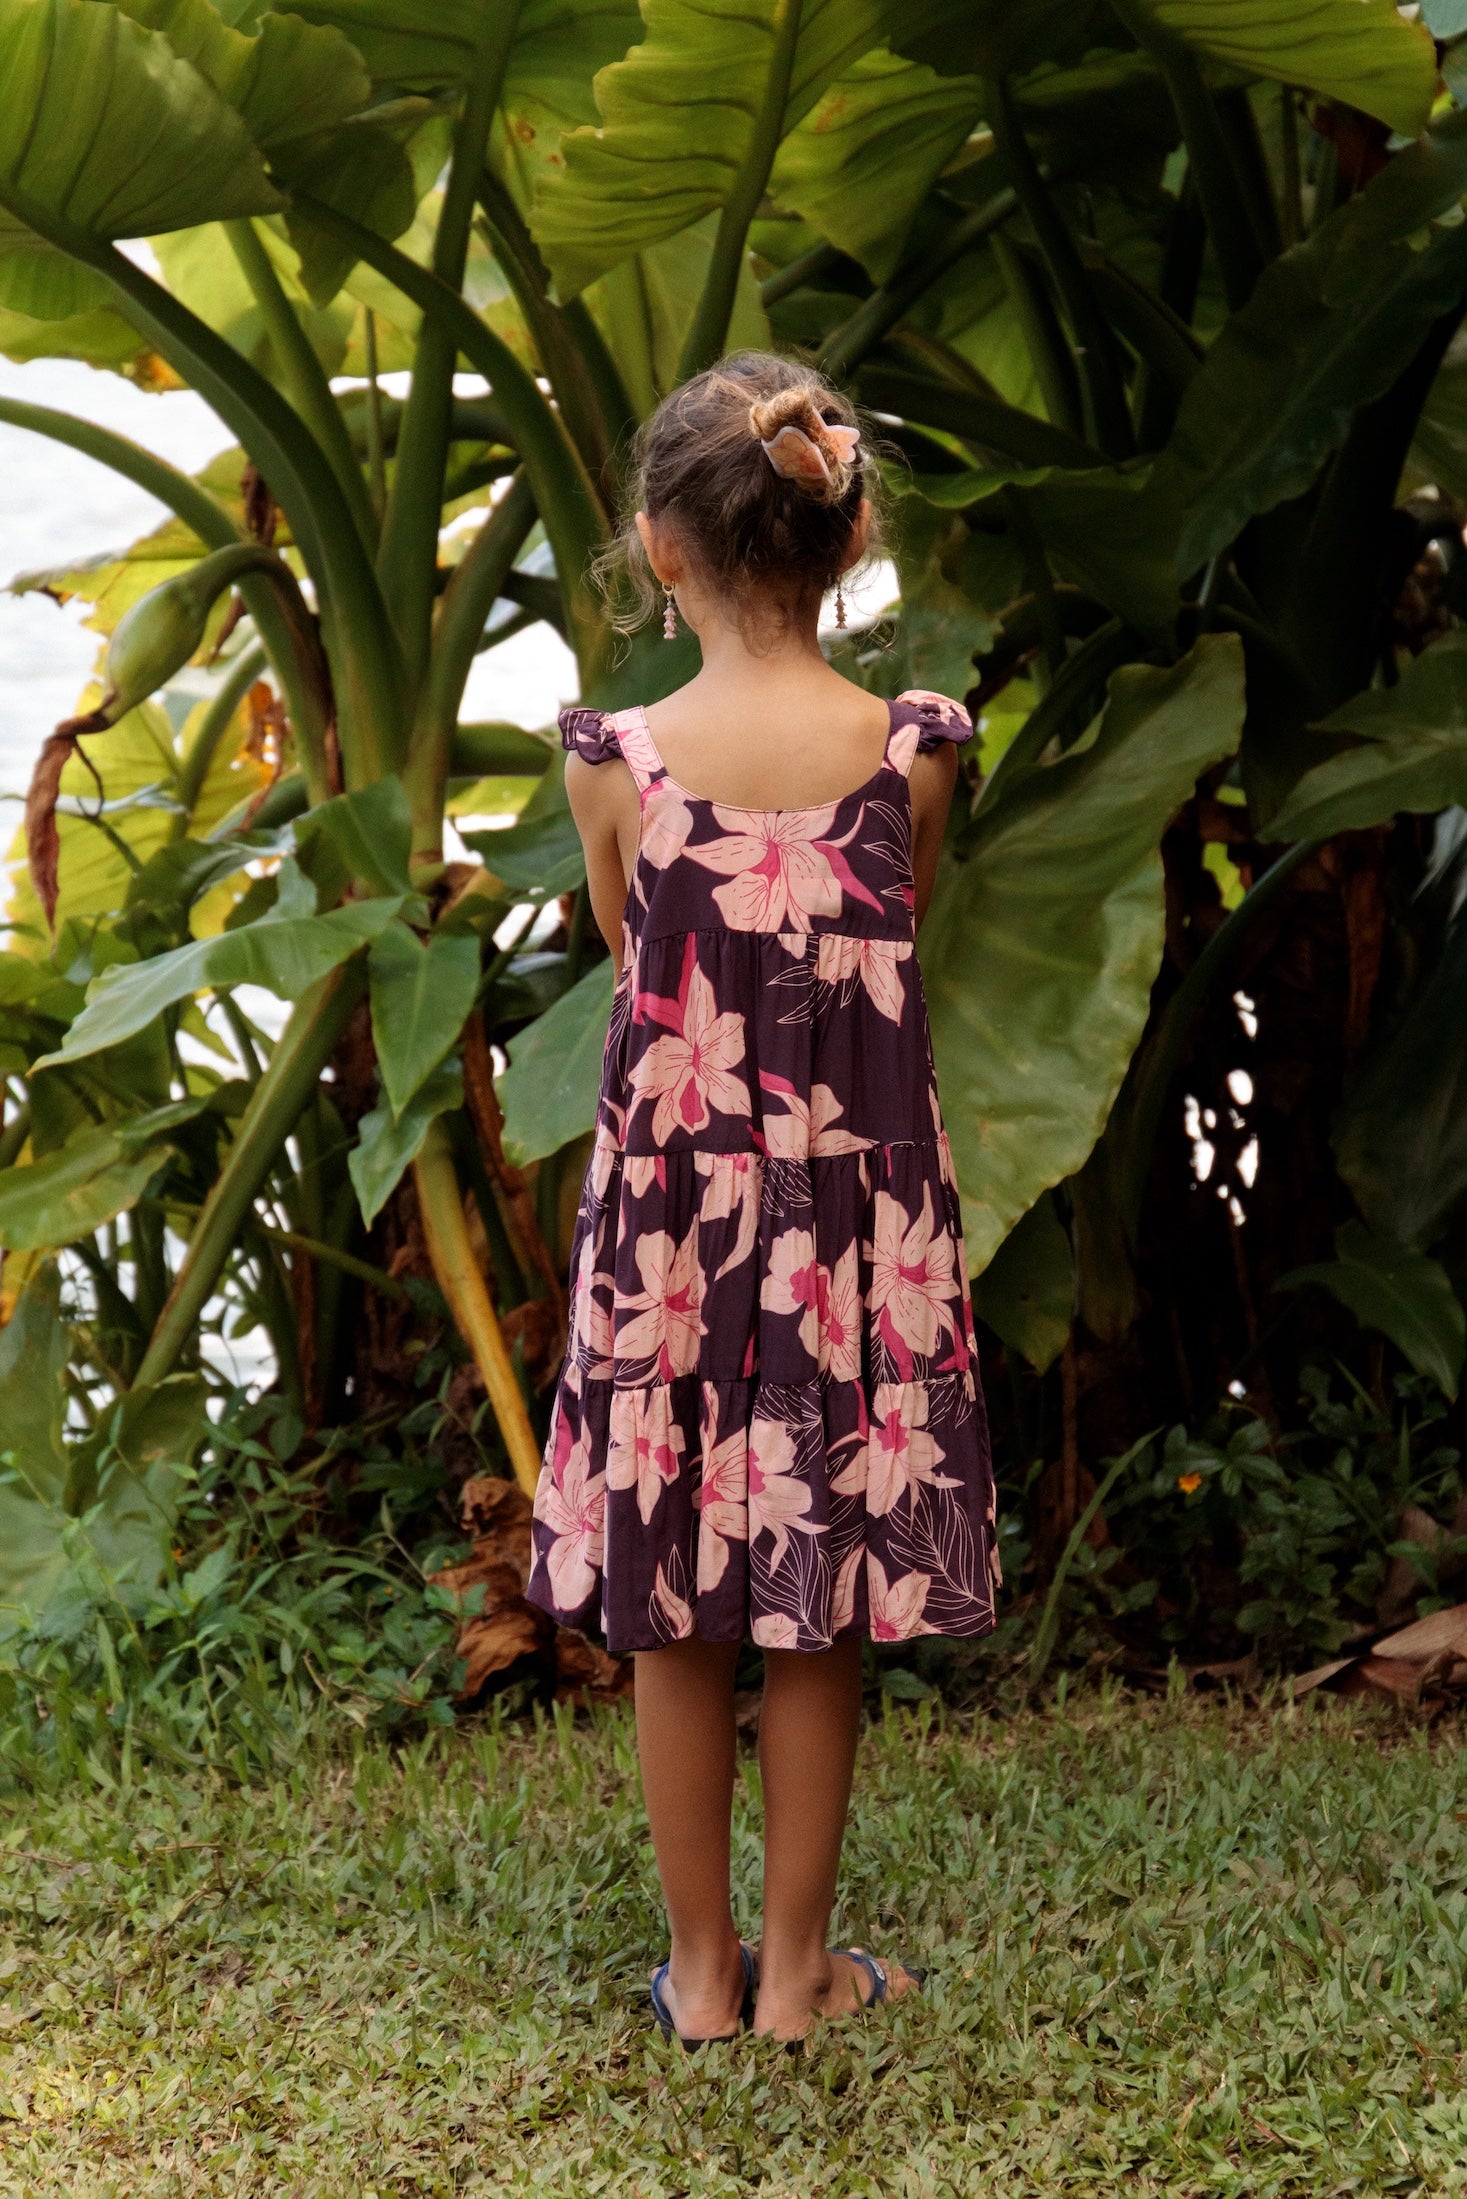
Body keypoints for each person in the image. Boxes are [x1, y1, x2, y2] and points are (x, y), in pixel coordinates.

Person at [525, 351, 998, 2044]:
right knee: (823, 1597)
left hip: (673, 1235)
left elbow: (630, 948)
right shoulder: (913, 753)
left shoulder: (616, 765)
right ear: (851, 535)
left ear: (661, 548)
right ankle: (802, 1974)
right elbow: (896, 926)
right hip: (855, 1242)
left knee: (669, 1607)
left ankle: (706, 1976)